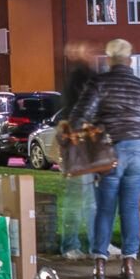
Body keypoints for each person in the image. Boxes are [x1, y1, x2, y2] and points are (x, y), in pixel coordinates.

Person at [70, 38, 140, 279]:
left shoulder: (99, 84)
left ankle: (100, 263)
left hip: (109, 152)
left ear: (109, 60)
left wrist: (79, 136)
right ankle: (129, 263)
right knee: (131, 208)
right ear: (130, 61)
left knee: (105, 209)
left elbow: (80, 115)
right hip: (139, 152)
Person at [56, 40, 100, 260]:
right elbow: (77, 111)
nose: (95, 54)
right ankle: (71, 245)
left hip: (83, 143)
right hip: (78, 144)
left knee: (89, 197)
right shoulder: (79, 79)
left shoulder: (87, 76)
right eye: (90, 50)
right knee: (78, 196)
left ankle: (95, 244)